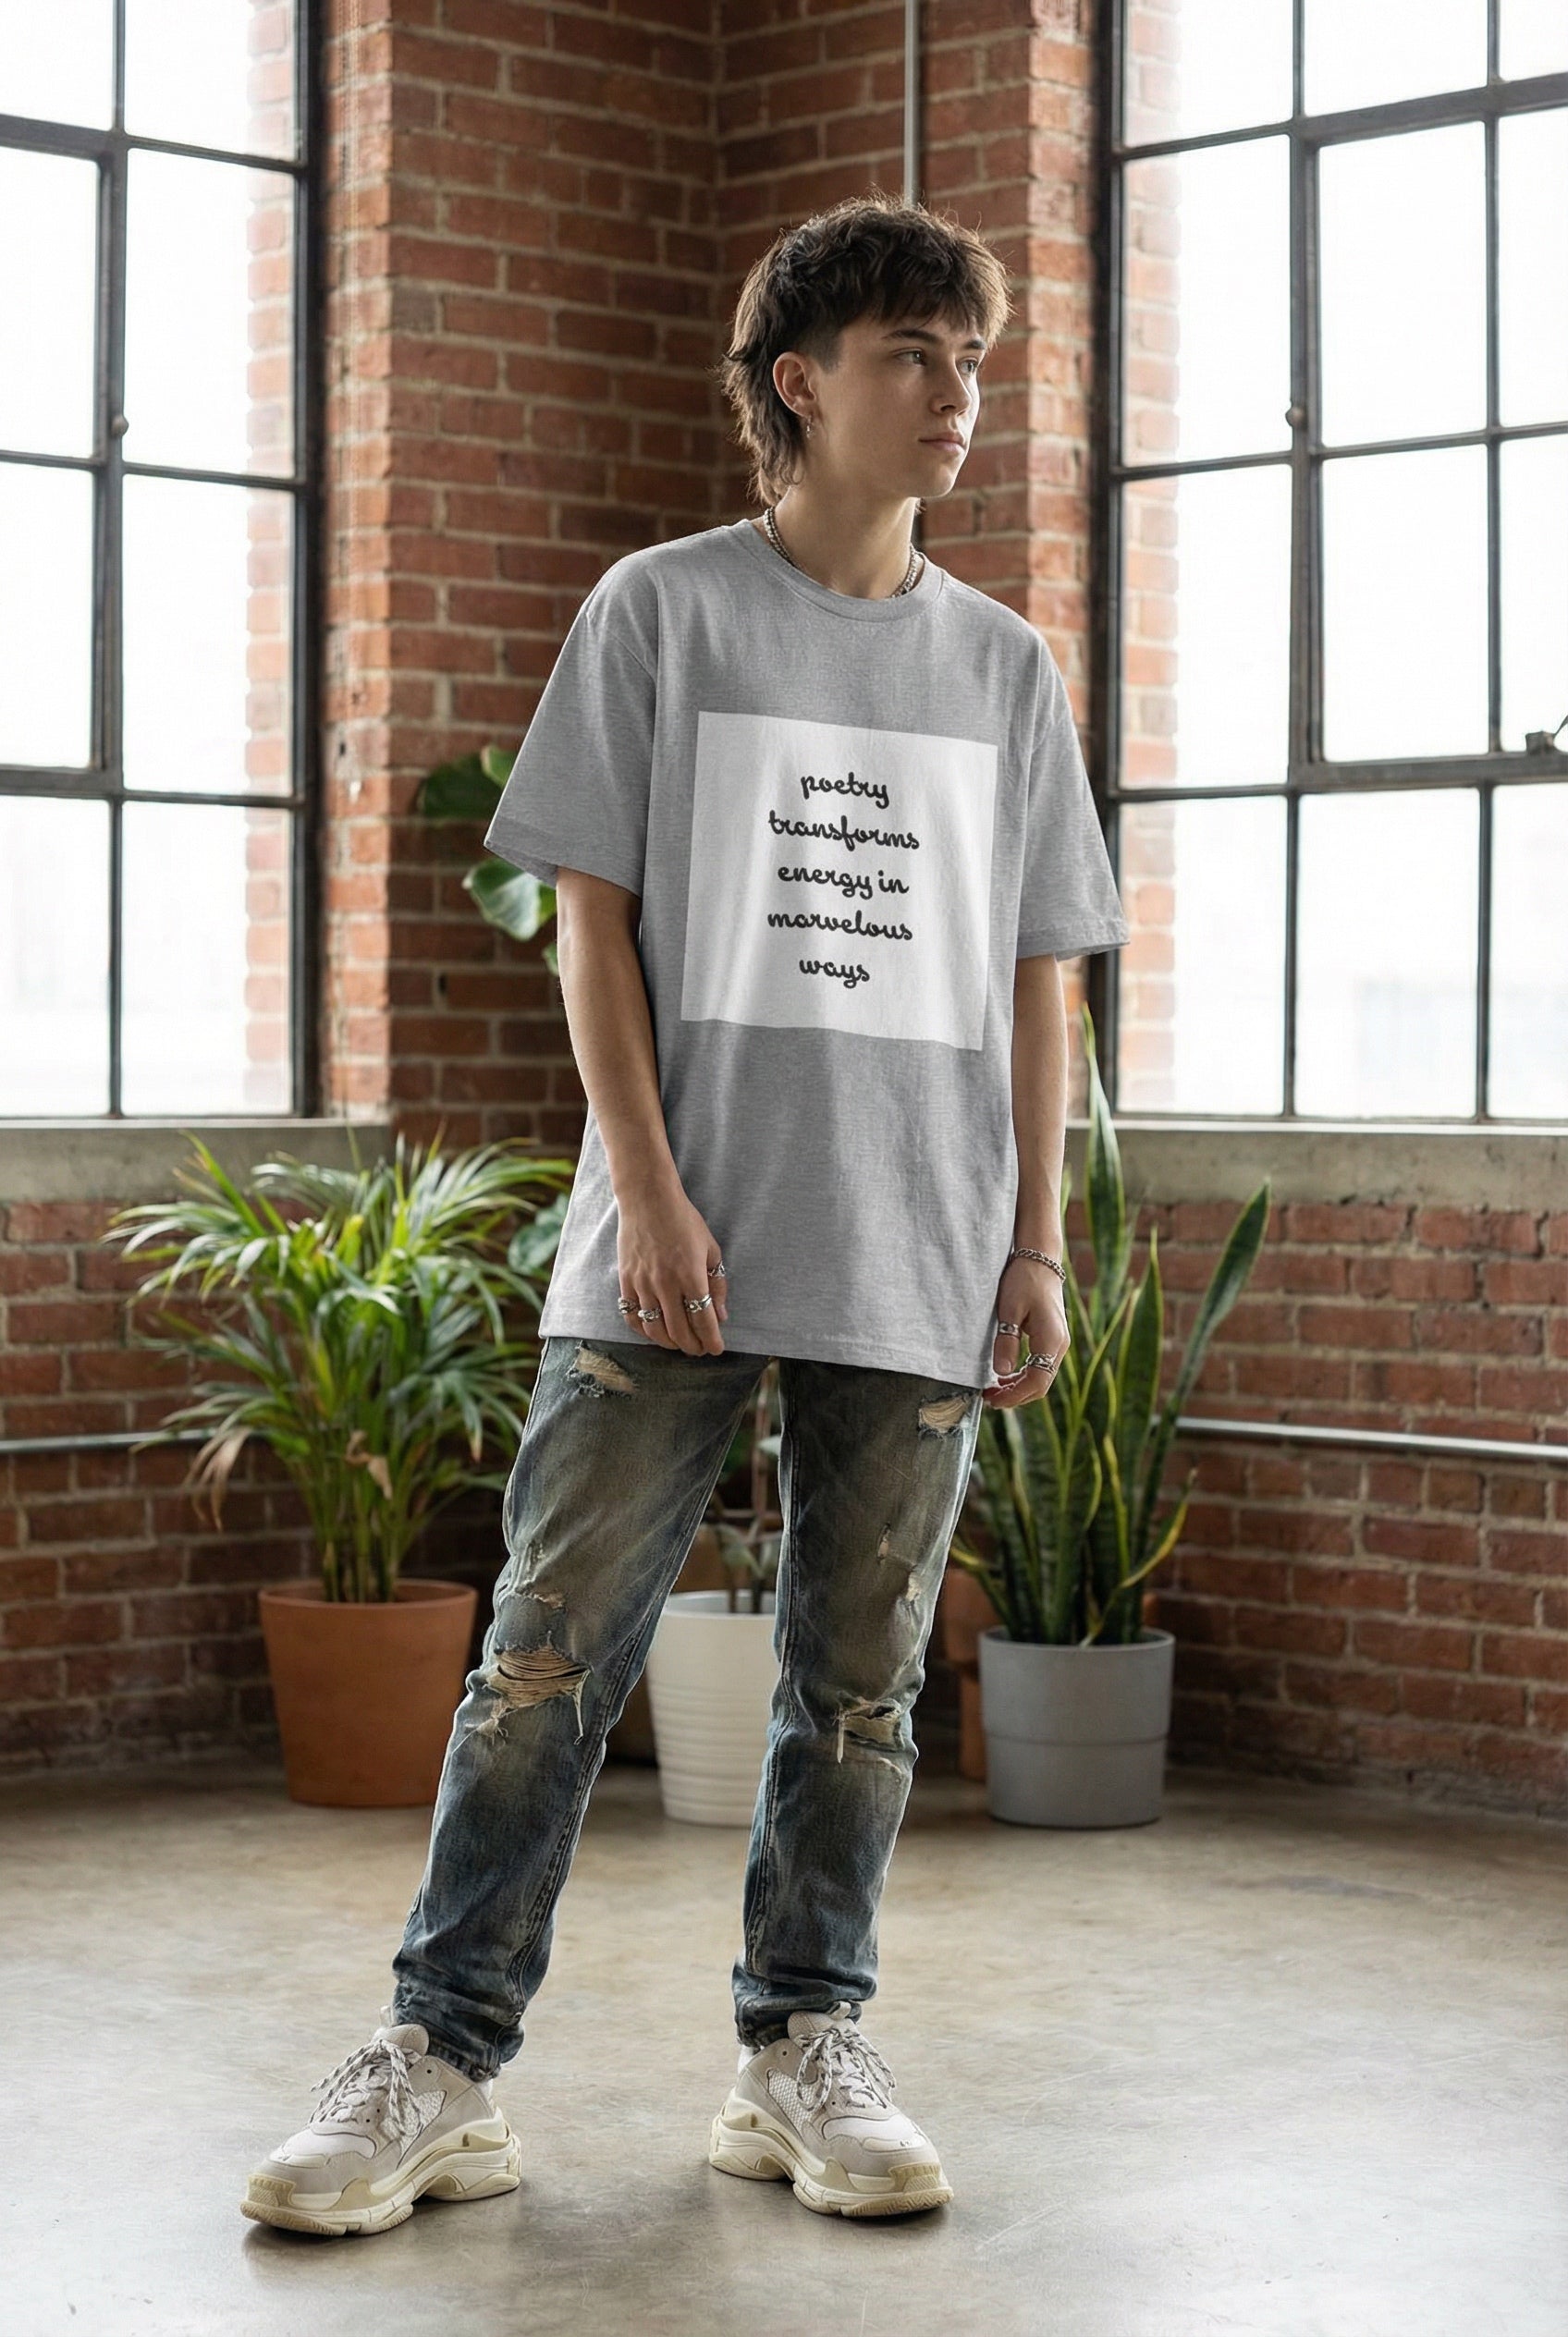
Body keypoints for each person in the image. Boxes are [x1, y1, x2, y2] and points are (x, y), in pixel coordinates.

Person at [242, 190, 1128, 2238]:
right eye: (911, 356)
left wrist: (1037, 1240)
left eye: (970, 360)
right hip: (670, 1242)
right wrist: (643, 1185)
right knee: (544, 1658)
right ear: (797, 384)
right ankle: (439, 2061)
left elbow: (1038, 979)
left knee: (861, 1688)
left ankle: (801, 2045)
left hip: (919, 1245)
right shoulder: (661, 613)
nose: (956, 394)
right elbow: (589, 921)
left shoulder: (1002, 669)